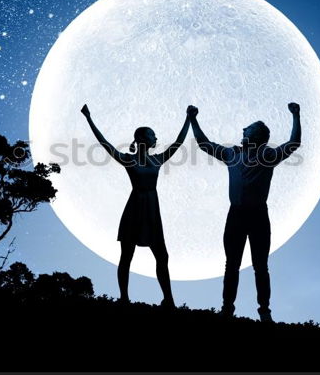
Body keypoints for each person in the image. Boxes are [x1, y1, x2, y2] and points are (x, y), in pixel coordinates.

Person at [187, 103, 301, 321]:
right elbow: (204, 144)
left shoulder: (268, 155)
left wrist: (296, 115)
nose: (242, 131)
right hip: (236, 215)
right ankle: (227, 308)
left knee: (260, 266)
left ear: (257, 136)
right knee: (232, 264)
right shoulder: (232, 154)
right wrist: (193, 119)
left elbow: (293, 143)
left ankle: (264, 310)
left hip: (258, 216)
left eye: (247, 130)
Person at [81, 104, 192, 308]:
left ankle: (169, 300)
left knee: (162, 256)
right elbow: (104, 142)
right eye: (152, 134)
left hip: (152, 209)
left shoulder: (157, 159)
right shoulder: (129, 160)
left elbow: (178, 142)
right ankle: (124, 297)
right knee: (126, 255)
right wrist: (88, 118)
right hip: (134, 209)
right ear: (142, 139)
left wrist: (189, 118)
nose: (155, 137)